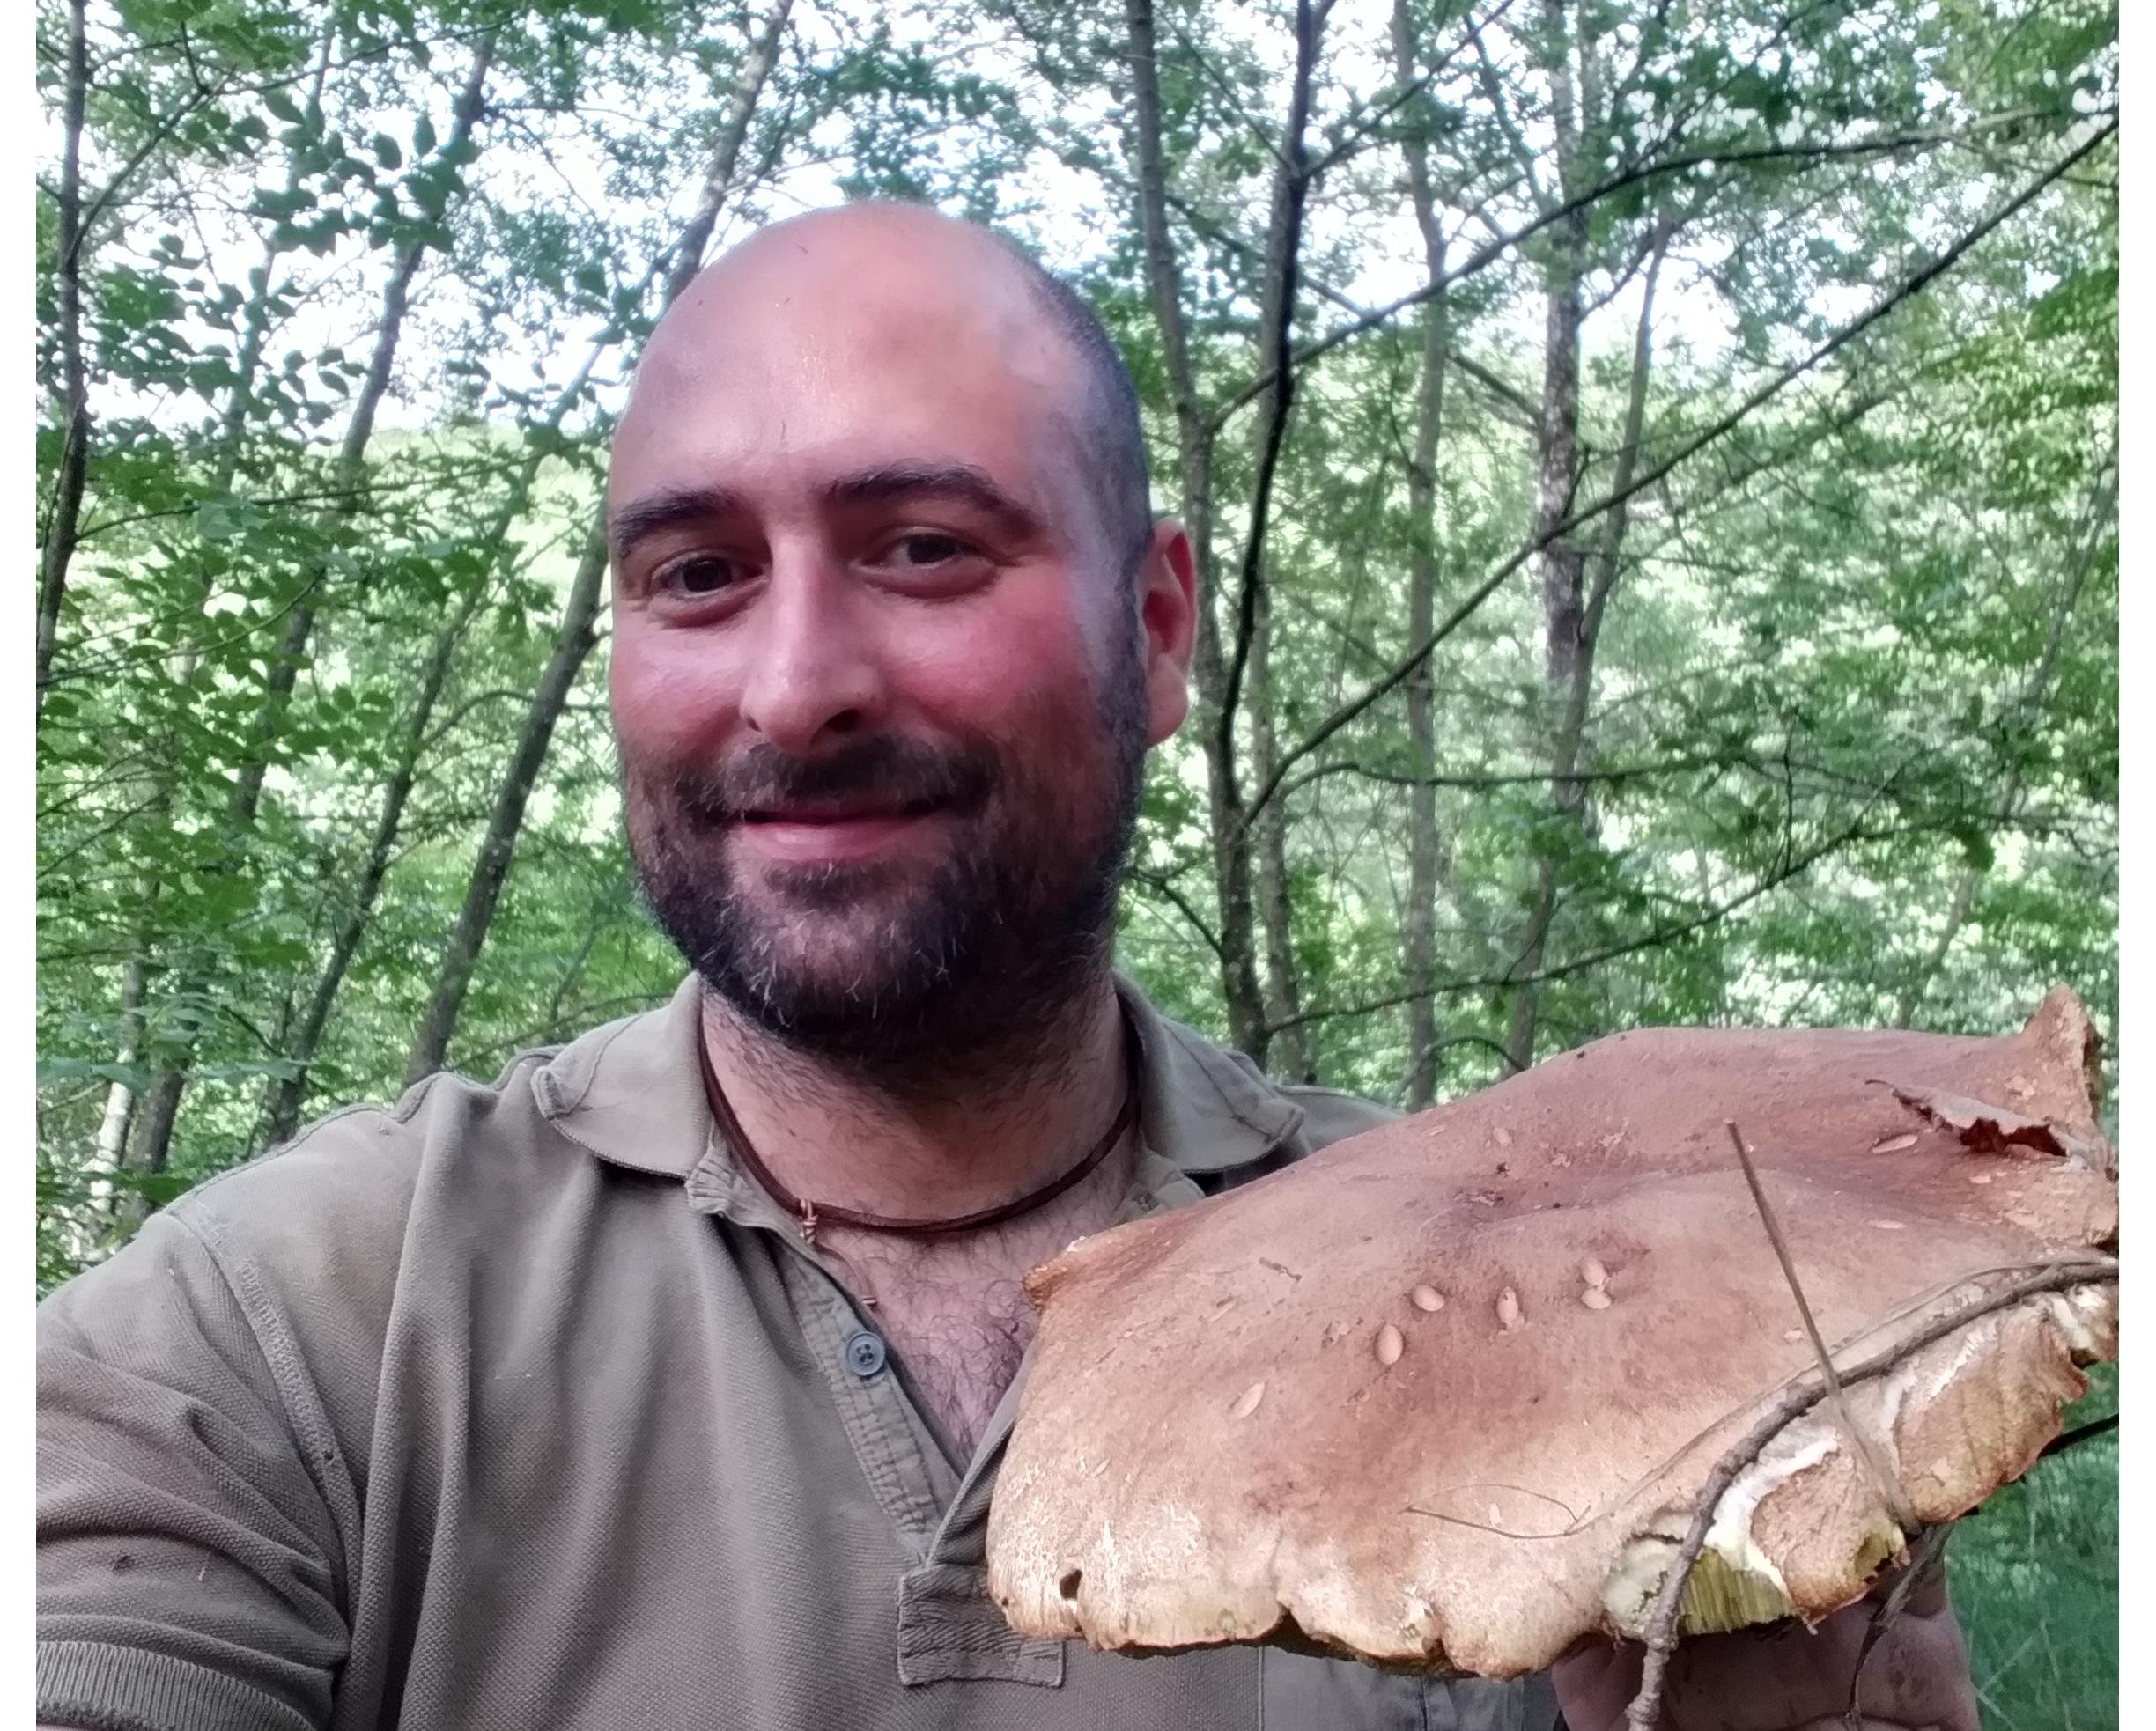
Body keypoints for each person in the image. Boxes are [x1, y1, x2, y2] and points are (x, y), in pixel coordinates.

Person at [37, 202, 1980, 1731]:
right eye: (698, 572)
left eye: (922, 547)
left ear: (1155, 625)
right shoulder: (284, 1335)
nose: (795, 687)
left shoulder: (1557, 1322)